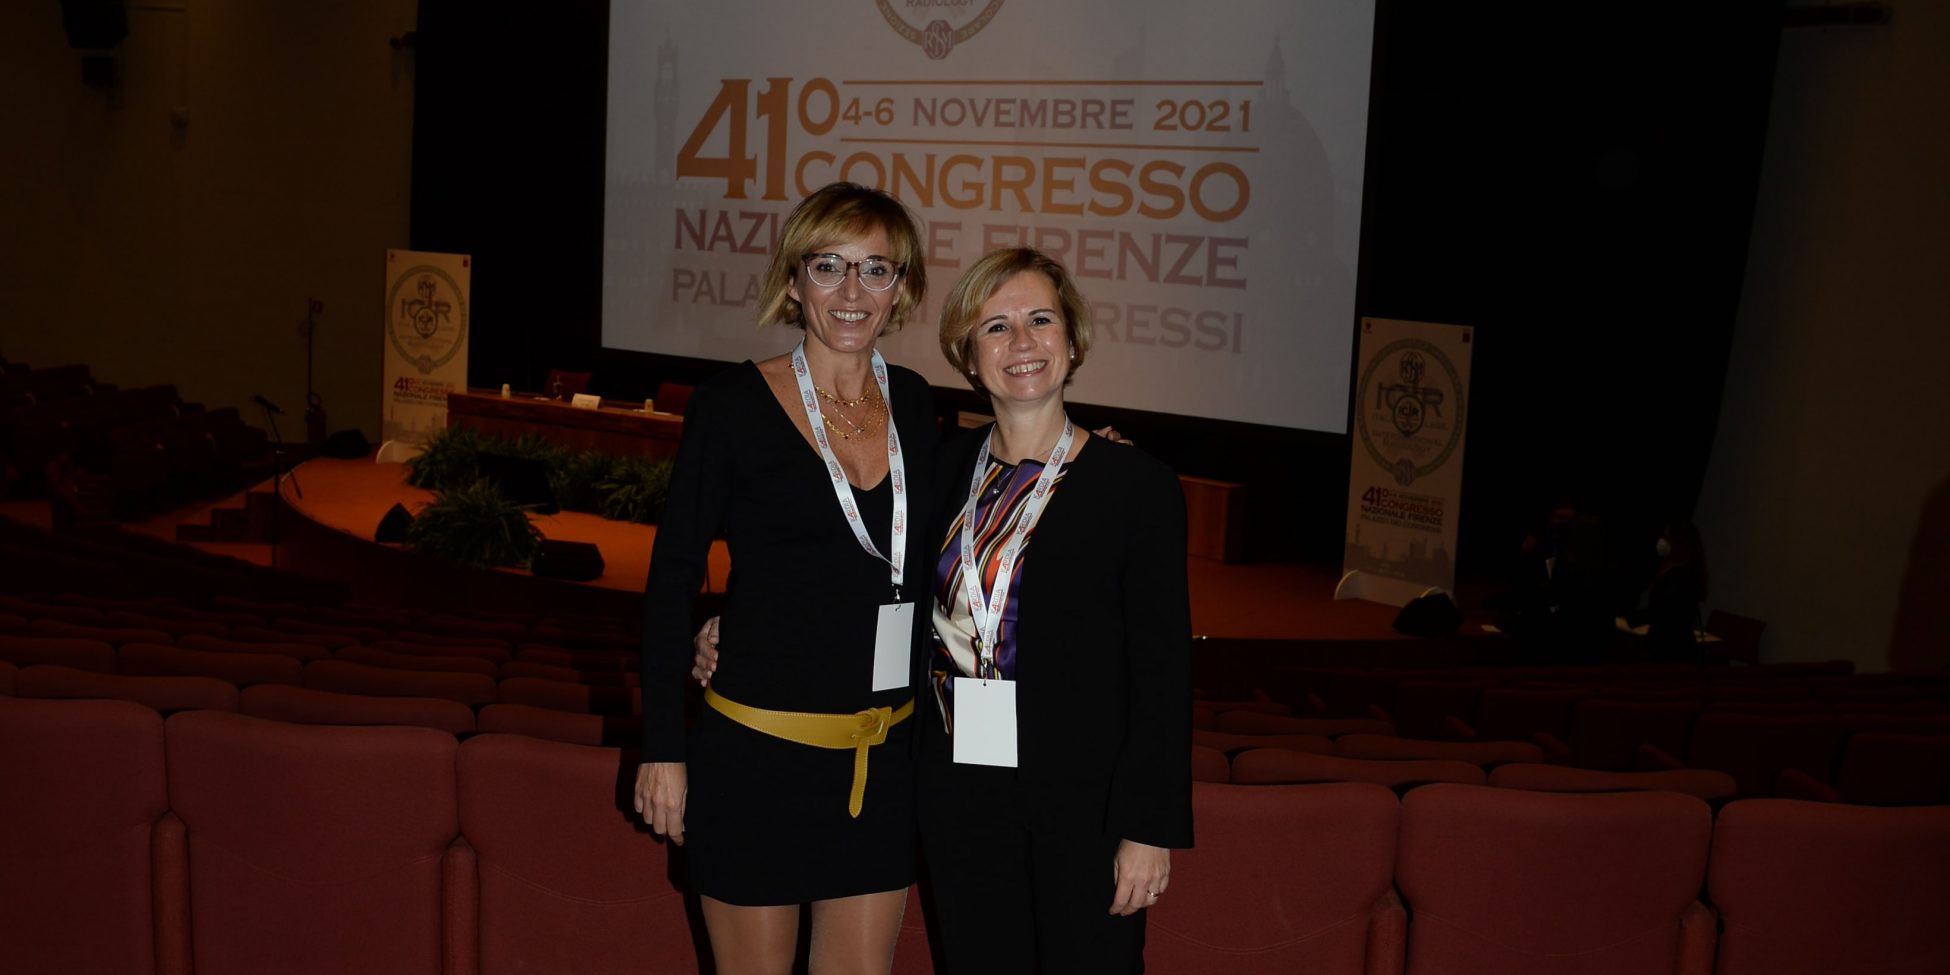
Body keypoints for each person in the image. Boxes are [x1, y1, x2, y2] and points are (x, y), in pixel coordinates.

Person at [633, 182, 936, 975]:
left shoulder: (914, 403)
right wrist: (663, 747)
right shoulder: (730, 406)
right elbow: (670, 578)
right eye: (829, 265)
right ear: (795, 280)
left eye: (876, 269)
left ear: (900, 287)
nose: (852, 291)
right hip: (755, 760)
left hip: (879, 764)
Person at [918, 247, 1193, 972]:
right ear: (969, 355)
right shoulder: (940, 470)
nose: (1022, 342)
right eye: (996, 327)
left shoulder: (1136, 487)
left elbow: (1163, 672)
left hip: (1087, 806)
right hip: (959, 790)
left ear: (1071, 340)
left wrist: (1148, 827)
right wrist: (731, 622)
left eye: (1040, 320)